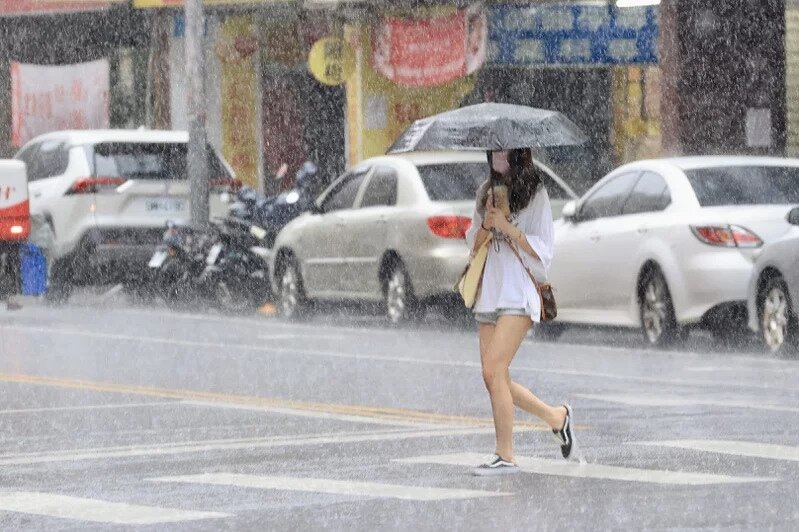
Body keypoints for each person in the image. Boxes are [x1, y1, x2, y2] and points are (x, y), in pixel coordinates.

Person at [464, 147, 574, 476]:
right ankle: (557, 417)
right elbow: (473, 243)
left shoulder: (535, 192)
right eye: (493, 152)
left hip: (518, 292)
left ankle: (506, 455)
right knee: (493, 376)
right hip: (488, 292)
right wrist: (486, 222)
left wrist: (508, 225)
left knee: (494, 370)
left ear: (518, 154)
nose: (498, 158)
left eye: (504, 151)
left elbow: (544, 251)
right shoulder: (486, 191)